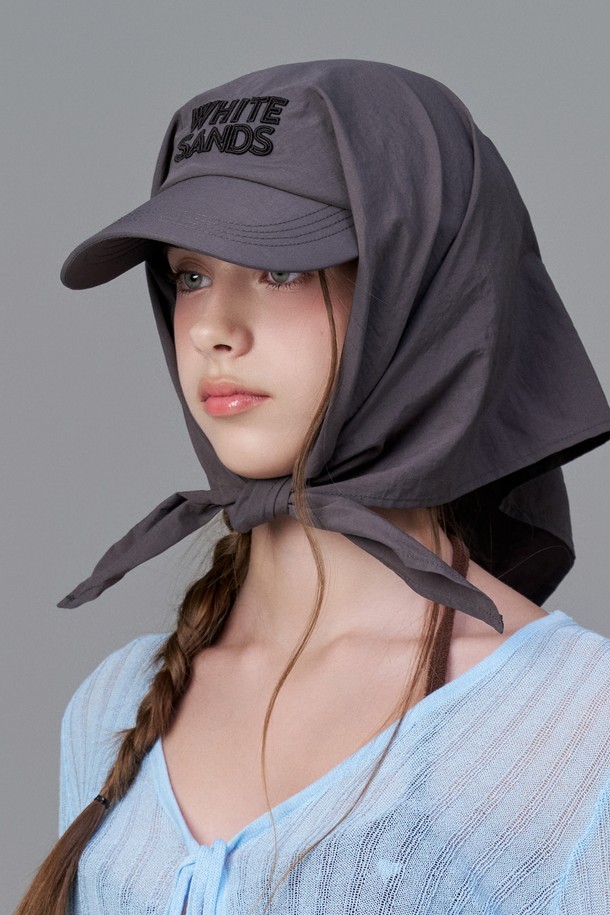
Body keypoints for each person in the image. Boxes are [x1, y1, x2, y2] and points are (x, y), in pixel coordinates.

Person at [17, 60, 610, 915]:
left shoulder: (576, 726)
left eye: (281, 270)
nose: (215, 329)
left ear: (424, 294)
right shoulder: (110, 705)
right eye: (190, 274)